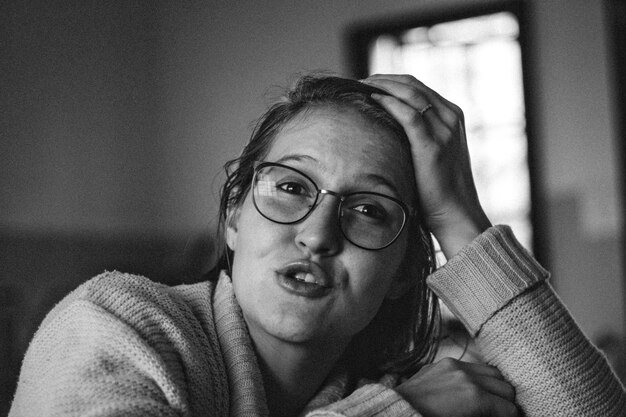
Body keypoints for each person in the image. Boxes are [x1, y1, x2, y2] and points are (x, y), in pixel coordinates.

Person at [9, 74, 626, 417]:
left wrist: (460, 218)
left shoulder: (367, 387)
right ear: (233, 215)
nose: (317, 233)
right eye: (288, 186)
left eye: (368, 209)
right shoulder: (116, 325)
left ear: (406, 272)